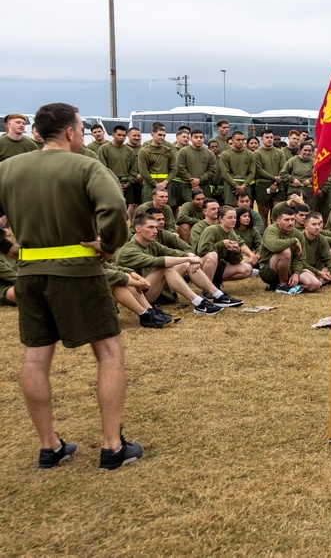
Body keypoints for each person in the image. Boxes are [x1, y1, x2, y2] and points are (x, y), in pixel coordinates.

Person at [0, 103, 141, 470]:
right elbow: (113, 208)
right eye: (80, 128)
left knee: (35, 357)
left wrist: (9, 248)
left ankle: (50, 446)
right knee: (109, 353)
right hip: (79, 272)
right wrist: (108, 247)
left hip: (29, 273)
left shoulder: (7, 169)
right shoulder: (86, 165)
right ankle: (112, 446)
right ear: (69, 133)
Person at [117, 213, 236, 313]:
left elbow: (172, 251)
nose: (155, 230)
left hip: (152, 287)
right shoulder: (129, 250)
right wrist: (189, 259)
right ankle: (198, 302)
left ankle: (218, 296)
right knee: (165, 267)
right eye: (150, 227)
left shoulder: (151, 243)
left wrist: (190, 256)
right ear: (138, 229)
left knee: (184, 264)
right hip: (139, 294)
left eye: (155, 227)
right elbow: (157, 261)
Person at [194, 205, 256, 290]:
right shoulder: (211, 230)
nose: (233, 220)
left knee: (248, 269)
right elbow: (202, 251)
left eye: (235, 217)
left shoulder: (232, 233)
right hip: (200, 265)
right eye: (230, 218)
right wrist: (222, 243)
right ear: (221, 219)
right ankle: (208, 290)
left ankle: (216, 280)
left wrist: (237, 251)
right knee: (212, 256)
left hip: (219, 265)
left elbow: (235, 261)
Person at [258, 206, 307, 292]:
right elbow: (274, 246)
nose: (290, 223)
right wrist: (293, 241)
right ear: (278, 221)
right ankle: (283, 285)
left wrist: (296, 273)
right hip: (267, 270)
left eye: (293, 219)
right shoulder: (271, 230)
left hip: (288, 269)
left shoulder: (298, 234)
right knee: (285, 251)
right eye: (286, 220)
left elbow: (300, 258)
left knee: (314, 284)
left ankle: (278, 285)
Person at [220, 131, 255, 206]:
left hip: (245, 185)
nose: (241, 142)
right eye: (238, 140)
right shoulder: (225, 154)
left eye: (243, 140)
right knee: (230, 209)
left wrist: (244, 185)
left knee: (245, 209)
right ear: (232, 141)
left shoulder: (250, 154)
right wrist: (236, 186)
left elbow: (252, 172)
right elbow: (225, 173)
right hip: (231, 186)